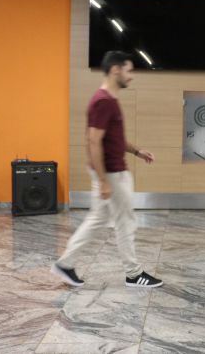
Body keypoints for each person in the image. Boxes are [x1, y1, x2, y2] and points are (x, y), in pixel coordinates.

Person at [51, 51, 163, 288]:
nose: (131, 76)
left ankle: (65, 264)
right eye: (128, 70)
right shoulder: (103, 101)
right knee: (125, 221)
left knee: (98, 219)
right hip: (112, 174)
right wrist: (103, 180)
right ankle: (134, 274)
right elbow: (93, 141)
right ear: (115, 70)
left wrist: (137, 151)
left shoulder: (108, 100)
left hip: (110, 172)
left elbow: (113, 139)